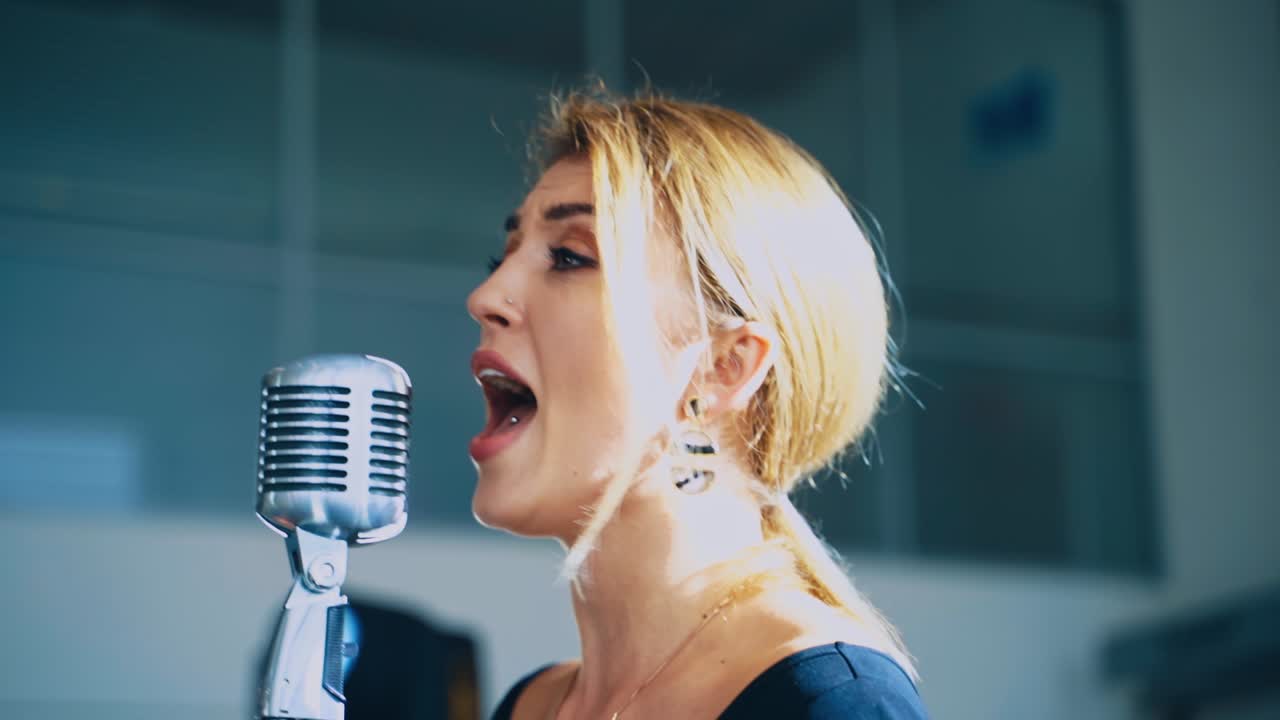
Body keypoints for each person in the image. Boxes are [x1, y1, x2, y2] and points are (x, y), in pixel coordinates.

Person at [465, 83, 929, 719]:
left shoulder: (832, 704)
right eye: (504, 254)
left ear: (722, 367)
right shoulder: (531, 705)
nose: (486, 296)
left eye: (570, 257)